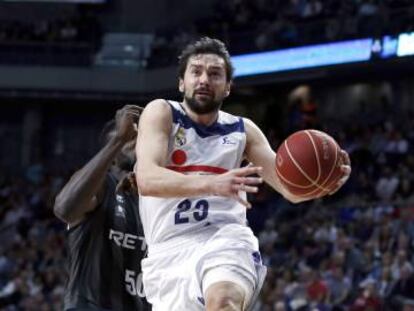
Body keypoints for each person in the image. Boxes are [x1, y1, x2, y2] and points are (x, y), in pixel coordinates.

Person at [135, 37, 351, 311]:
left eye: (215, 74)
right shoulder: (162, 112)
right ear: (182, 82)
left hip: (225, 238)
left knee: (223, 301)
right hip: (168, 251)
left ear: (227, 88)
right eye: (196, 71)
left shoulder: (243, 130)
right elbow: (147, 179)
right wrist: (212, 183)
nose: (204, 79)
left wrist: (327, 183)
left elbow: (290, 190)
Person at [54, 105, 150, 311]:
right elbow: (65, 209)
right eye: (128, 139)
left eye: (139, 137)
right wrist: (119, 139)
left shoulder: (160, 199)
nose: (136, 142)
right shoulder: (102, 186)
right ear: (111, 154)